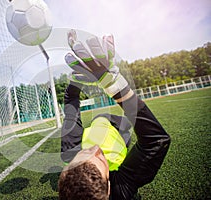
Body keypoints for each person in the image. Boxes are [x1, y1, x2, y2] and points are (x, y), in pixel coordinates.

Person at [58, 30, 171, 200]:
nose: (96, 149)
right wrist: (113, 85)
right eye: (100, 158)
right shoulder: (123, 190)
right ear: (109, 187)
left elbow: (70, 99)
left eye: (84, 154)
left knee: (96, 122)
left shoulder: (70, 151)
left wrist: (77, 80)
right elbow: (156, 140)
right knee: (110, 121)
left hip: (99, 122)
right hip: (118, 128)